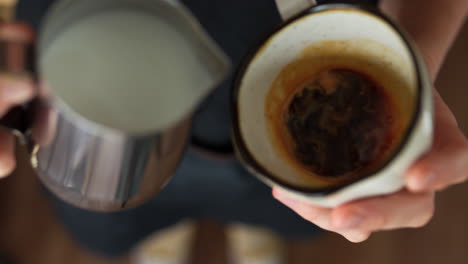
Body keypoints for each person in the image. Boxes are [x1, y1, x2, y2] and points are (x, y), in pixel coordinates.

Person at [0, 0, 467, 261]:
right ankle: (165, 231)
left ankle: (245, 226)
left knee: (275, 210)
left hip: (273, 150)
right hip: (106, 135)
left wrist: (412, 56)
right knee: (119, 219)